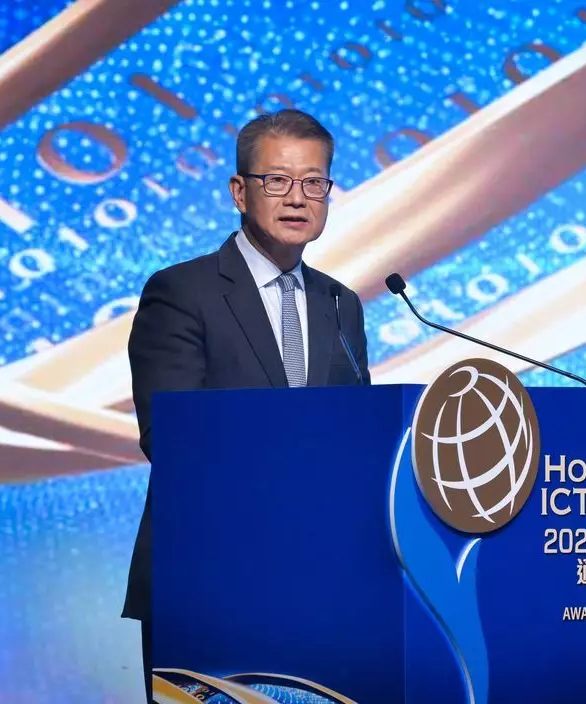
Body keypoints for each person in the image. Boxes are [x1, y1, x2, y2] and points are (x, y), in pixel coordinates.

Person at [120, 108, 371, 703]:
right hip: (210, 576)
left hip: (321, 580)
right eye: (277, 180)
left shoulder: (341, 304)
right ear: (239, 191)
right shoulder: (183, 292)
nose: (297, 197)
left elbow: (360, 433)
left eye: (314, 182)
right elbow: (172, 438)